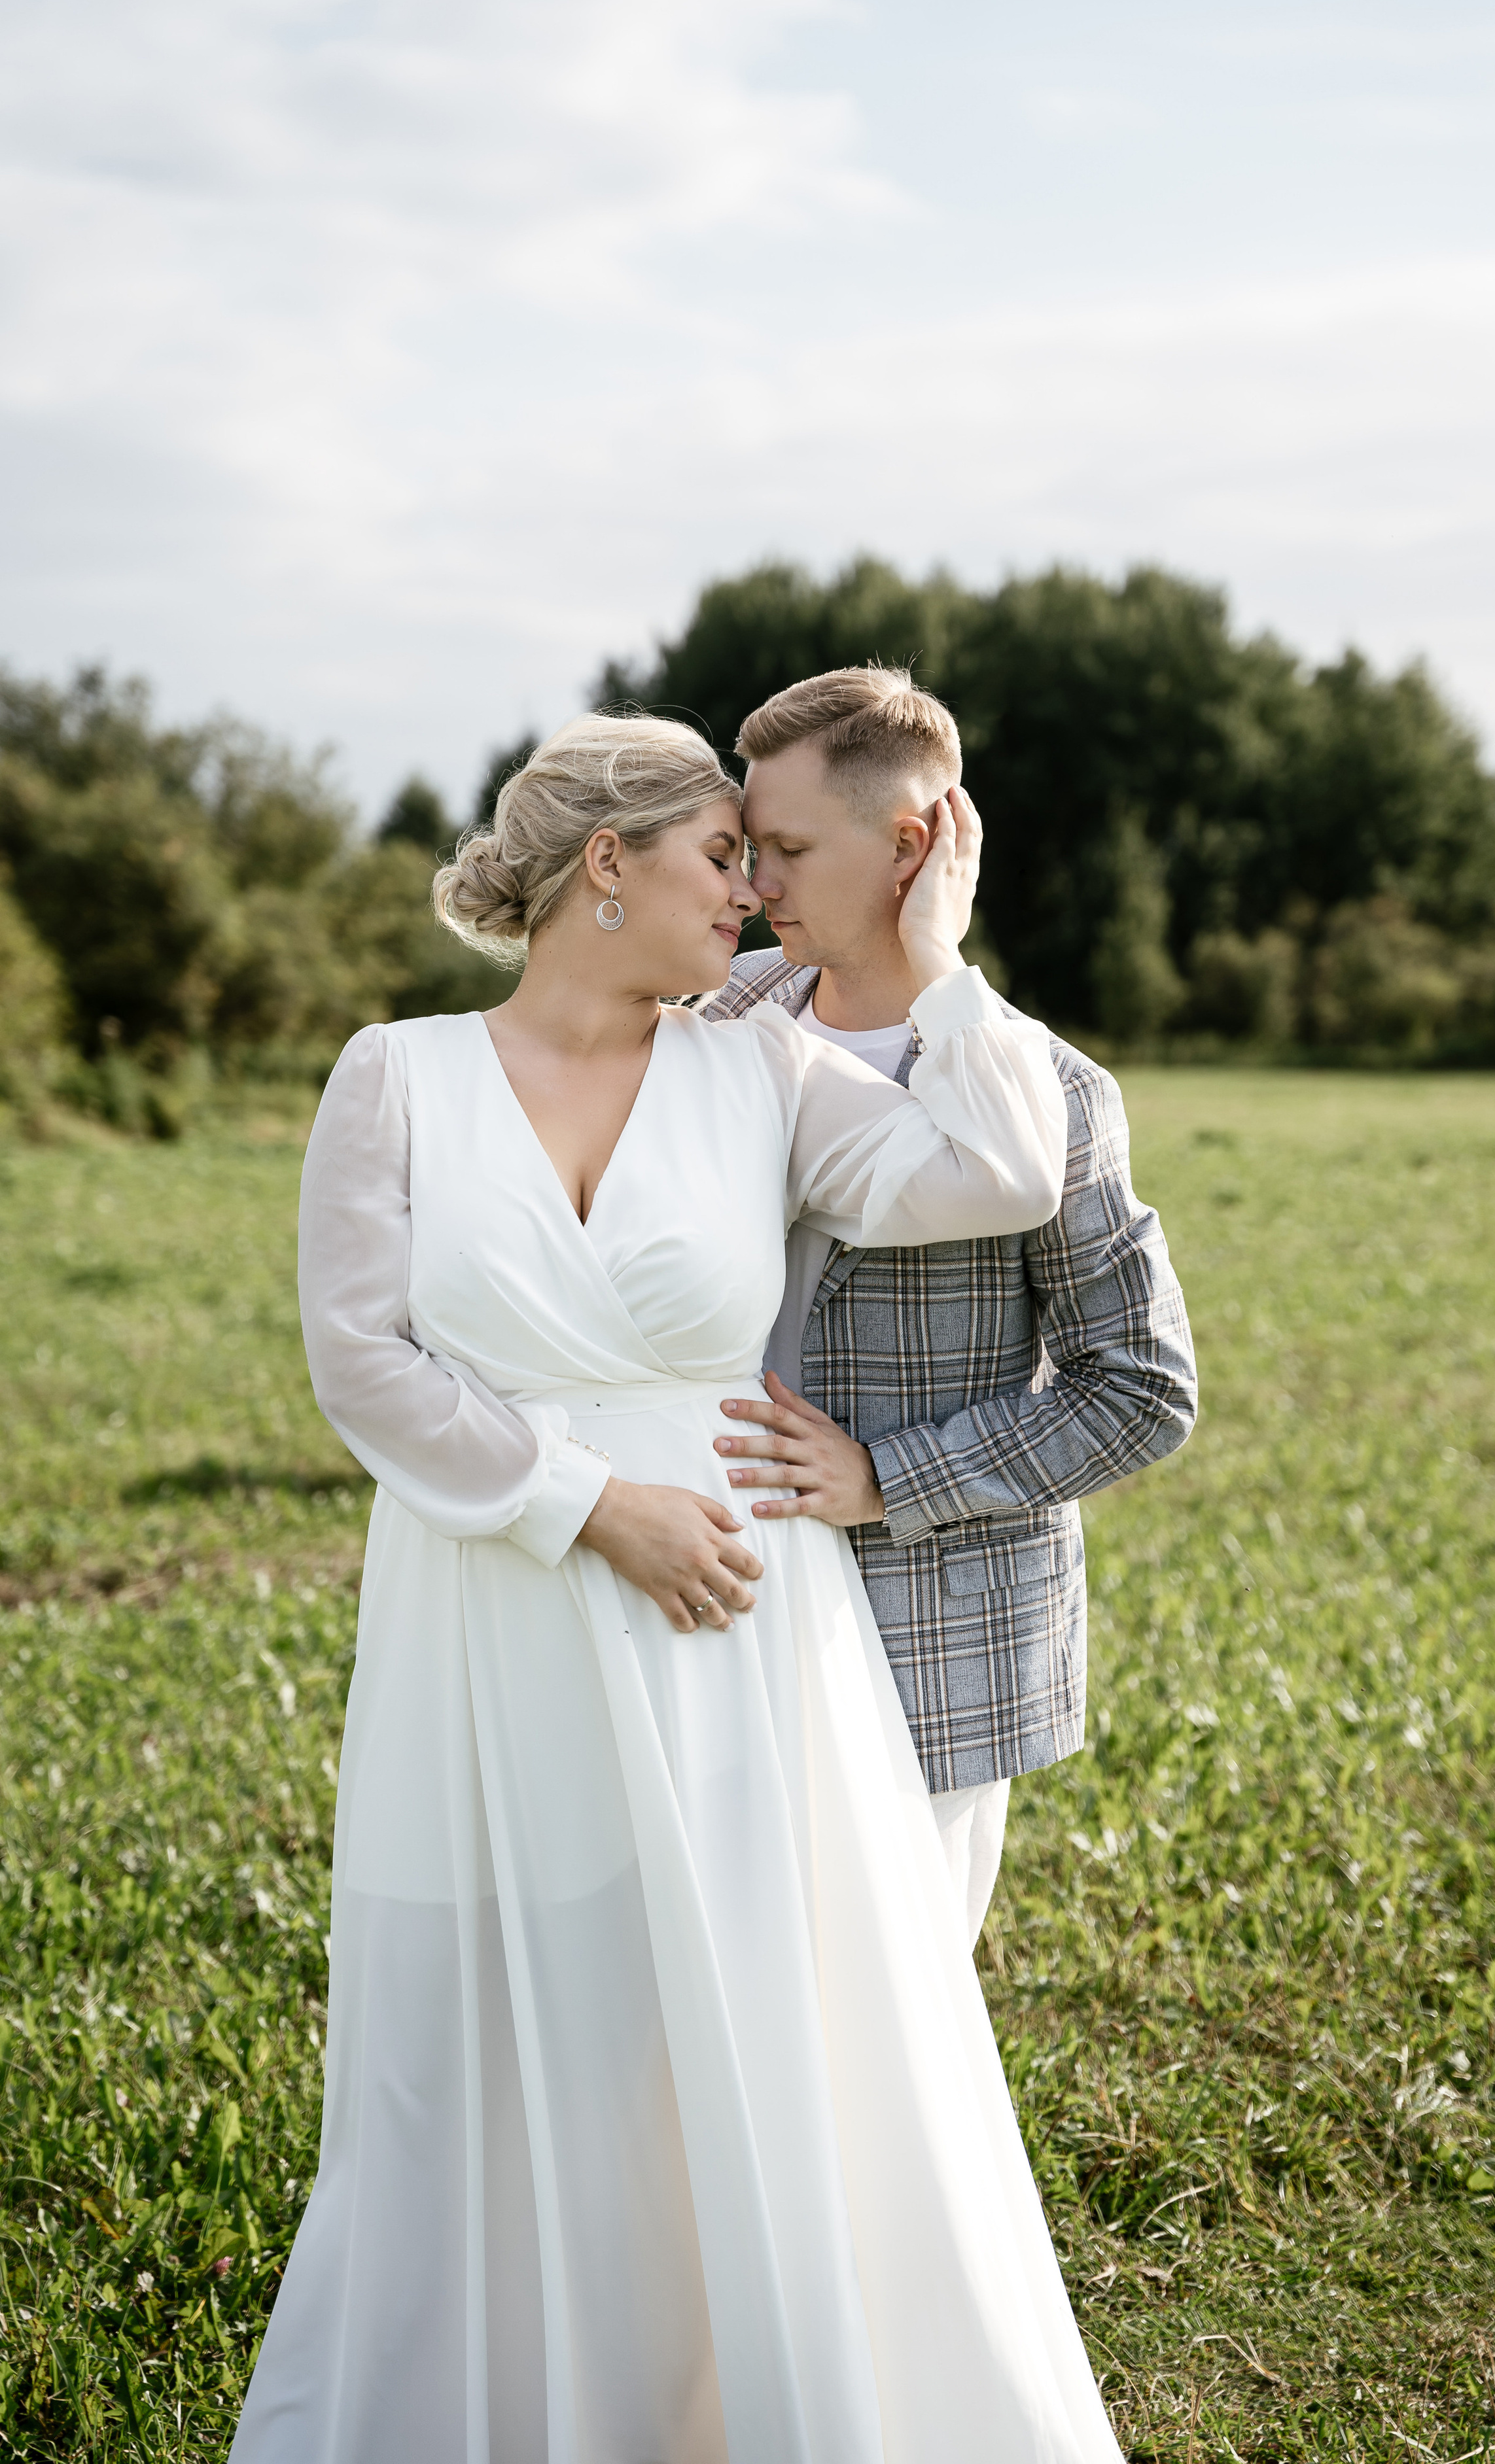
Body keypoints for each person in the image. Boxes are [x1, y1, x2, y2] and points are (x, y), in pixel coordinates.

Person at [231, 714, 1124, 2464]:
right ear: (606, 863)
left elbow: (1001, 1173)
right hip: (493, 1613)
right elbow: (363, 1363)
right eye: (725, 855)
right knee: (506, 2033)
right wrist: (587, 1506)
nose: (753, 894)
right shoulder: (393, 1076)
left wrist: (941, 956)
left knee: (740, 2029)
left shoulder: (757, 1069)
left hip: (739, 1631)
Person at [704, 668, 1196, 1949]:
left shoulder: (1056, 1093)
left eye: (790, 850)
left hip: (929, 1644)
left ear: (910, 847)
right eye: (749, 848)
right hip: (714, 1602)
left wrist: (885, 1480)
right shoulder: (713, 1020)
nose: (755, 885)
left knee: (886, 2015)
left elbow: (1140, 1391)